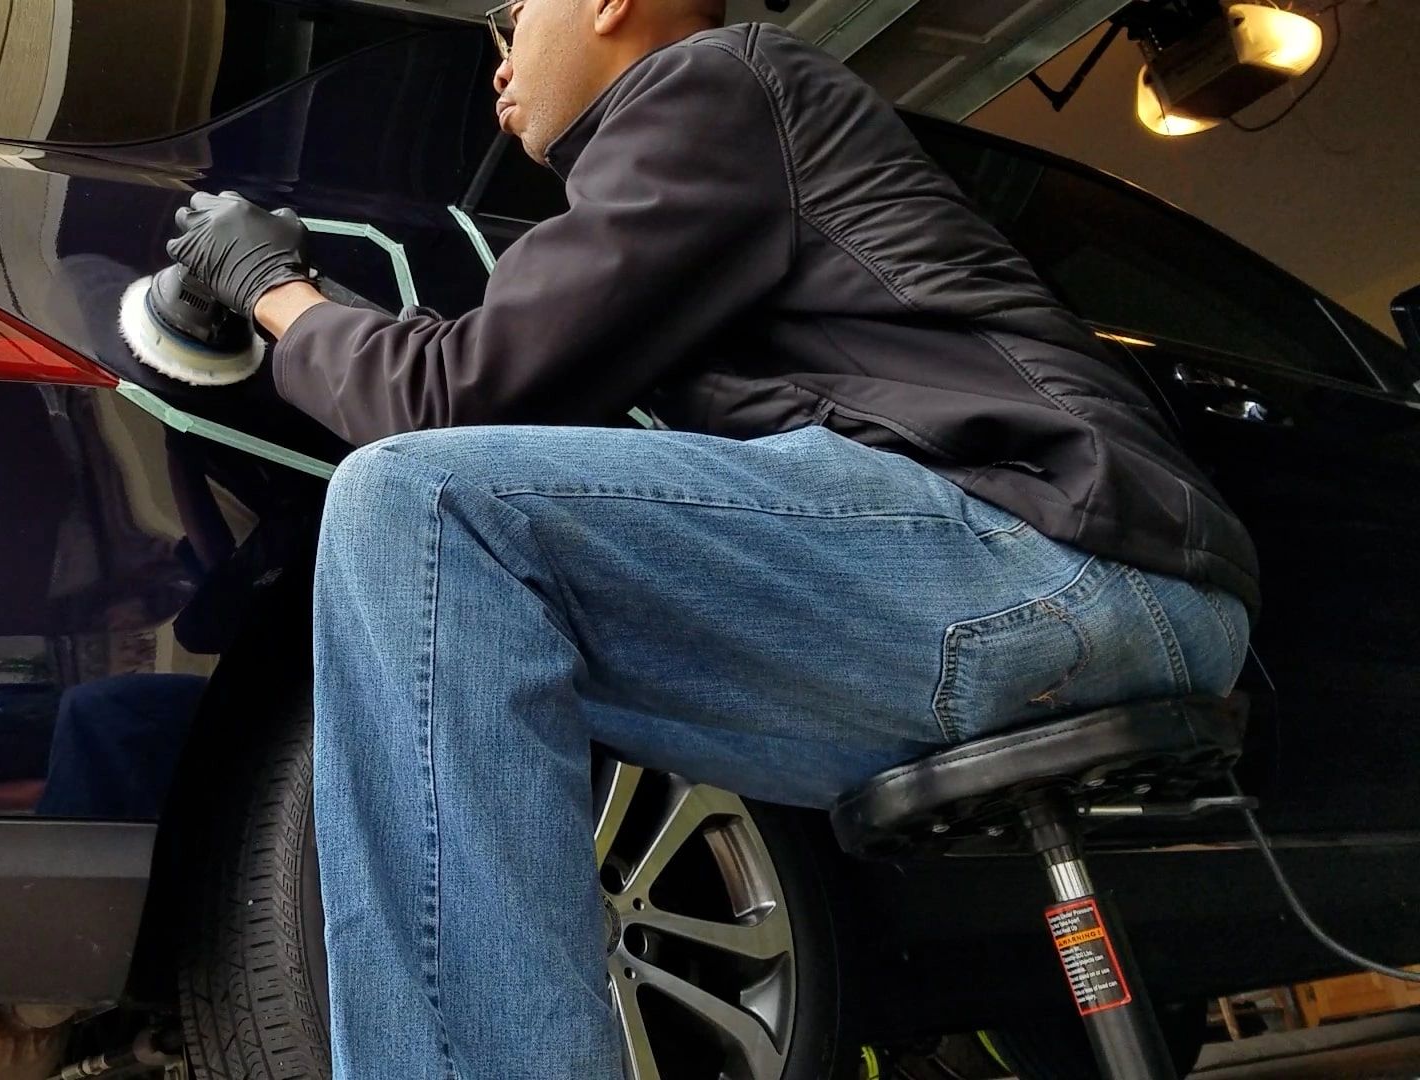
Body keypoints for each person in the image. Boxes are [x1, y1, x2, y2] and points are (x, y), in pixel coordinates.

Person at [163, 0, 1260, 1073]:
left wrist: (271, 288)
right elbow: (478, 378)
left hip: (1061, 559)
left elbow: (447, 400)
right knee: (219, 693)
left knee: (421, 504)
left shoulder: (717, 82)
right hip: (1030, 591)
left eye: (509, 15)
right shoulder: (689, 176)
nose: (496, 59)